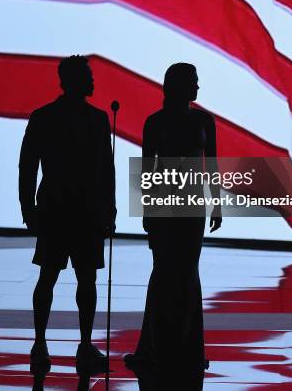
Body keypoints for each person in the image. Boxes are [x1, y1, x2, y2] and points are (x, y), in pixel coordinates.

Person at [18, 55, 116, 373]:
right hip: (71, 211)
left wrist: (28, 207)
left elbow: (107, 170)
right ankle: (69, 344)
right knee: (68, 278)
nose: (92, 80)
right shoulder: (82, 119)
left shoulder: (48, 117)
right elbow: (29, 165)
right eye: (87, 75)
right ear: (72, 80)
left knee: (64, 278)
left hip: (66, 210)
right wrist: (27, 207)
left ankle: (49, 343)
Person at [124, 63, 222, 380]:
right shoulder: (156, 123)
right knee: (168, 273)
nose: (198, 87)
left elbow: (213, 167)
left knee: (183, 273)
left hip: (192, 207)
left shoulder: (201, 121)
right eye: (193, 82)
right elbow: (147, 172)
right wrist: (149, 212)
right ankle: (164, 348)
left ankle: (177, 349)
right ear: (178, 86)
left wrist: (216, 204)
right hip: (167, 208)